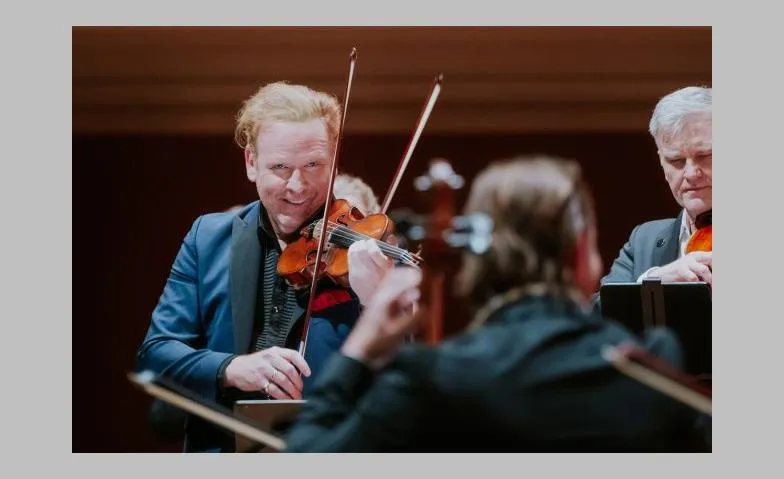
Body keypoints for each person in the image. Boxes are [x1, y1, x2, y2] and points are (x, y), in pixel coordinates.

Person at [283, 155, 709, 452]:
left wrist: (361, 347)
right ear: (582, 256)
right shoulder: (648, 369)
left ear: (477, 260)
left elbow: (306, 455)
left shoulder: (433, 379)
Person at [136, 81, 394, 453]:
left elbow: (408, 388)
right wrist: (230, 369)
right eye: (280, 167)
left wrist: (375, 304)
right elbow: (156, 353)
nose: (297, 186)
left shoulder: (364, 251)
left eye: (313, 165)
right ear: (251, 163)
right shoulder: (208, 239)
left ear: (334, 161)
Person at [596, 86, 712, 294]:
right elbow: (598, 310)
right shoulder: (644, 241)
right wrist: (653, 281)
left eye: (704, 155)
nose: (690, 174)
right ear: (661, 161)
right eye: (676, 160)